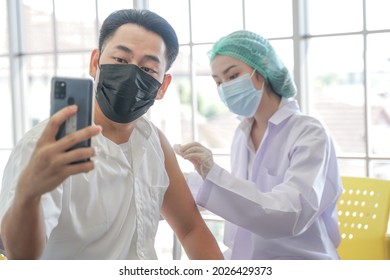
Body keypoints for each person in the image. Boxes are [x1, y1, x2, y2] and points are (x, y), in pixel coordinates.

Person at [0, 9, 223, 260]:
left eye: (148, 69)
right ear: (95, 63)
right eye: (119, 60)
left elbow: (191, 229)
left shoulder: (153, 141)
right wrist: (29, 194)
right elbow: (20, 256)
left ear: (163, 86)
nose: (131, 74)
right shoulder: (46, 147)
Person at [174, 30, 343, 260]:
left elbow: (291, 214)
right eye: (218, 82)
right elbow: (242, 199)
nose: (225, 88)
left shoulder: (309, 133)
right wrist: (181, 181)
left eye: (232, 76)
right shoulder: (242, 134)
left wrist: (213, 175)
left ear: (261, 71)